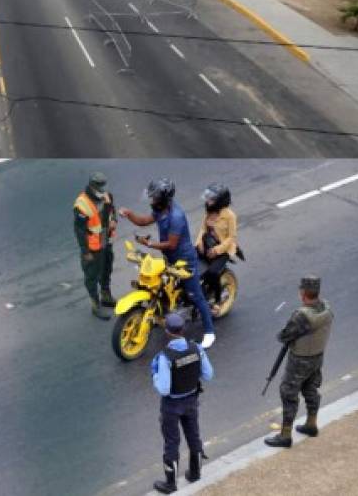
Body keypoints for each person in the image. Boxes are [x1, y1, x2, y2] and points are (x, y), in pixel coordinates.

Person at [119, 179, 216, 348]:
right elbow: (143, 221)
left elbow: (171, 244)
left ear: (163, 199)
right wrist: (129, 214)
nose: (151, 200)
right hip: (169, 257)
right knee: (161, 286)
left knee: (196, 296)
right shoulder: (160, 209)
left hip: (184, 260)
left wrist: (150, 244)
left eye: (154, 197)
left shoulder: (176, 217)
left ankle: (209, 332)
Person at [265, 276, 334, 448]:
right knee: (310, 388)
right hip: (317, 357)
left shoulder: (301, 316)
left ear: (303, 294)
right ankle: (311, 424)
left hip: (300, 360)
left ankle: (285, 435)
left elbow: (284, 335)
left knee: (288, 393)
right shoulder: (326, 307)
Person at [151, 313, 213, 493]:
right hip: (191, 400)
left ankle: (170, 483)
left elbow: (164, 388)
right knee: (194, 435)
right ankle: (195, 473)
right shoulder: (197, 349)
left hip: (171, 405)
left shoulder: (165, 357)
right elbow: (208, 374)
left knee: (171, 442)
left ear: (167, 332)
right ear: (183, 329)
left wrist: (155, 375)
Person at [73, 172, 118, 320]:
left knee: (106, 268)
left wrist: (114, 221)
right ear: (93, 187)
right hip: (92, 245)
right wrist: (85, 251)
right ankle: (95, 305)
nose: (103, 190)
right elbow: (79, 230)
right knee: (92, 275)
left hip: (106, 240)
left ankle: (106, 295)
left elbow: (113, 211)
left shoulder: (107, 195)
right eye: (100, 187)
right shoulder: (82, 204)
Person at [195, 183, 238, 315]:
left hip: (223, 250)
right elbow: (203, 229)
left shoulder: (230, 216)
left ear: (219, 201)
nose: (208, 201)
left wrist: (217, 250)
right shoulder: (208, 212)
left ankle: (218, 300)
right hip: (207, 245)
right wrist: (199, 242)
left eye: (211, 199)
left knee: (212, 273)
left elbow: (231, 238)